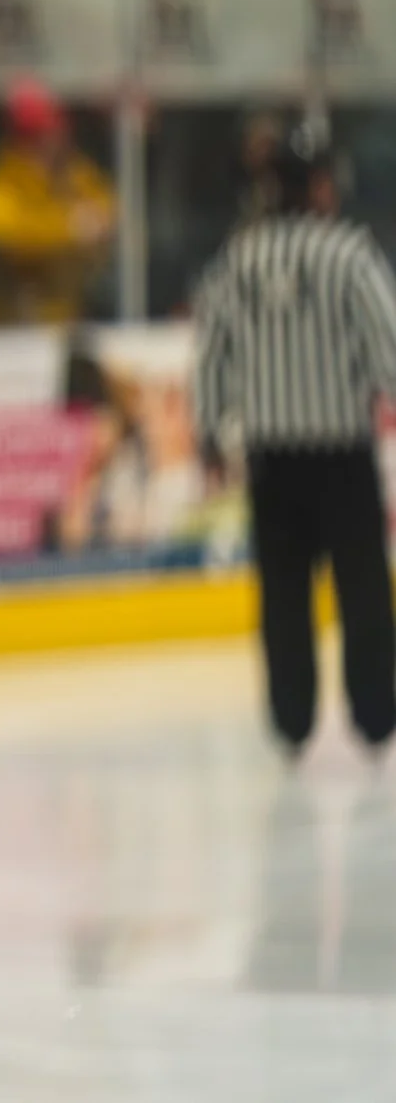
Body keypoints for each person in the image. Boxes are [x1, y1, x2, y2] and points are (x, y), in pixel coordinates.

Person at [193, 116, 396, 755]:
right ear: (318, 186)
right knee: (361, 586)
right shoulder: (349, 253)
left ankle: (292, 719)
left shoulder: (238, 258)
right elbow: (387, 347)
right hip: (339, 449)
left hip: (271, 456)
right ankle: (374, 714)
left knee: (282, 594)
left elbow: (210, 354)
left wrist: (208, 429)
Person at [0, 77, 112, 324]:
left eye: (53, 131)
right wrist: (69, 229)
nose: (52, 141)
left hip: (65, 320)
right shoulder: (3, 178)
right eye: (37, 136)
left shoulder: (72, 173)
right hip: (8, 327)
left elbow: (103, 209)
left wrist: (95, 223)